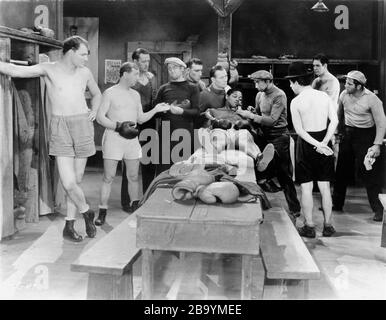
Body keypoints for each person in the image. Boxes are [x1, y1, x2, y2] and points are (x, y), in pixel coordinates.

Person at [0, 36, 101, 242]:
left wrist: (94, 111)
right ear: (71, 52)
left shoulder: (85, 72)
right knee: (69, 182)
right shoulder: (50, 68)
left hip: (82, 125)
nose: (85, 59)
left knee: (77, 180)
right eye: (82, 54)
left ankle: (69, 226)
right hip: (60, 126)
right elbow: (16, 70)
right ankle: (87, 211)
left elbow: (97, 94)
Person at [95, 62, 169, 225]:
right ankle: (102, 211)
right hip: (114, 137)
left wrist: (156, 109)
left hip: (131, 139)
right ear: (125, 74)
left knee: (134, 176)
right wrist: (118, 126)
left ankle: (134, 207)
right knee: (108, 177)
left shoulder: (135, 95)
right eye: (135, 74)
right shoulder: (110, 93)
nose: (137, 77)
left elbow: (140, 119)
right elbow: (100, 117)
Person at [237, 70, 301, 217]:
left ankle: (295, 208)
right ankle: (266, 183)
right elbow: (260, 114)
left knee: (284, 174)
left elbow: (272, 120)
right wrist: (253, 112)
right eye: (254, 82)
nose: (255, 85)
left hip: (279, 136)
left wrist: (251, 116)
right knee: (259, 165)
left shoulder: (279, 95)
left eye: (258, 82)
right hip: (264, 134)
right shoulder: (260, 94)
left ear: (268, 81)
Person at [287, 62, 338, 238]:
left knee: (306, 188)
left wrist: (316, 144)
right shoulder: (324, 97)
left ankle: (309, 226)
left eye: (291, 83)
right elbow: (335, 121)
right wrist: (323, 142)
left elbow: (299, 130)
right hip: (324, 141)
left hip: (306, 144)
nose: (290, 86)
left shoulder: (296, 101)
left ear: (295, 82)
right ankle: (328, 226)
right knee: (325, 187)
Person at [332, 71, 386, 222]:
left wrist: (377, 145)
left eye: (349, 83)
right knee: (341, 170)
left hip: (366, 136)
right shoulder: (344, 95)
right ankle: (336, 204)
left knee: (369, 172)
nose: (346, 85)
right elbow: (339, 115)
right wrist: (336, 134)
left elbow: (381, 123)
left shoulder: (372, 99)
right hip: (348, 135)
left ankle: (378, 209)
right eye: (346, 82)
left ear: (359, 86)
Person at [121, 48, 157, 212]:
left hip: (148, 123)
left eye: (148, 61)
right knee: (130, 163)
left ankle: (147, 198)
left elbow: (153, 100)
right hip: (131, 124)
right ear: (135, 61)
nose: (146, 64)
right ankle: (127, 201)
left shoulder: (151, 78)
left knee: (148, 162)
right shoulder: (128, 79)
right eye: (143, 61)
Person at [154, 57, 200, 174]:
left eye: (174, 68)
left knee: (183, 172)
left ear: (183, 69)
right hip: (165, 135)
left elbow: (196, 112)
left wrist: (182, 112)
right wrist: (162, 109)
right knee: (163, 172)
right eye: (169, 68)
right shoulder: (163, 89)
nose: (172, 71)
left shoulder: (193, 88)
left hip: (185, 136)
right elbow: (154, 113)